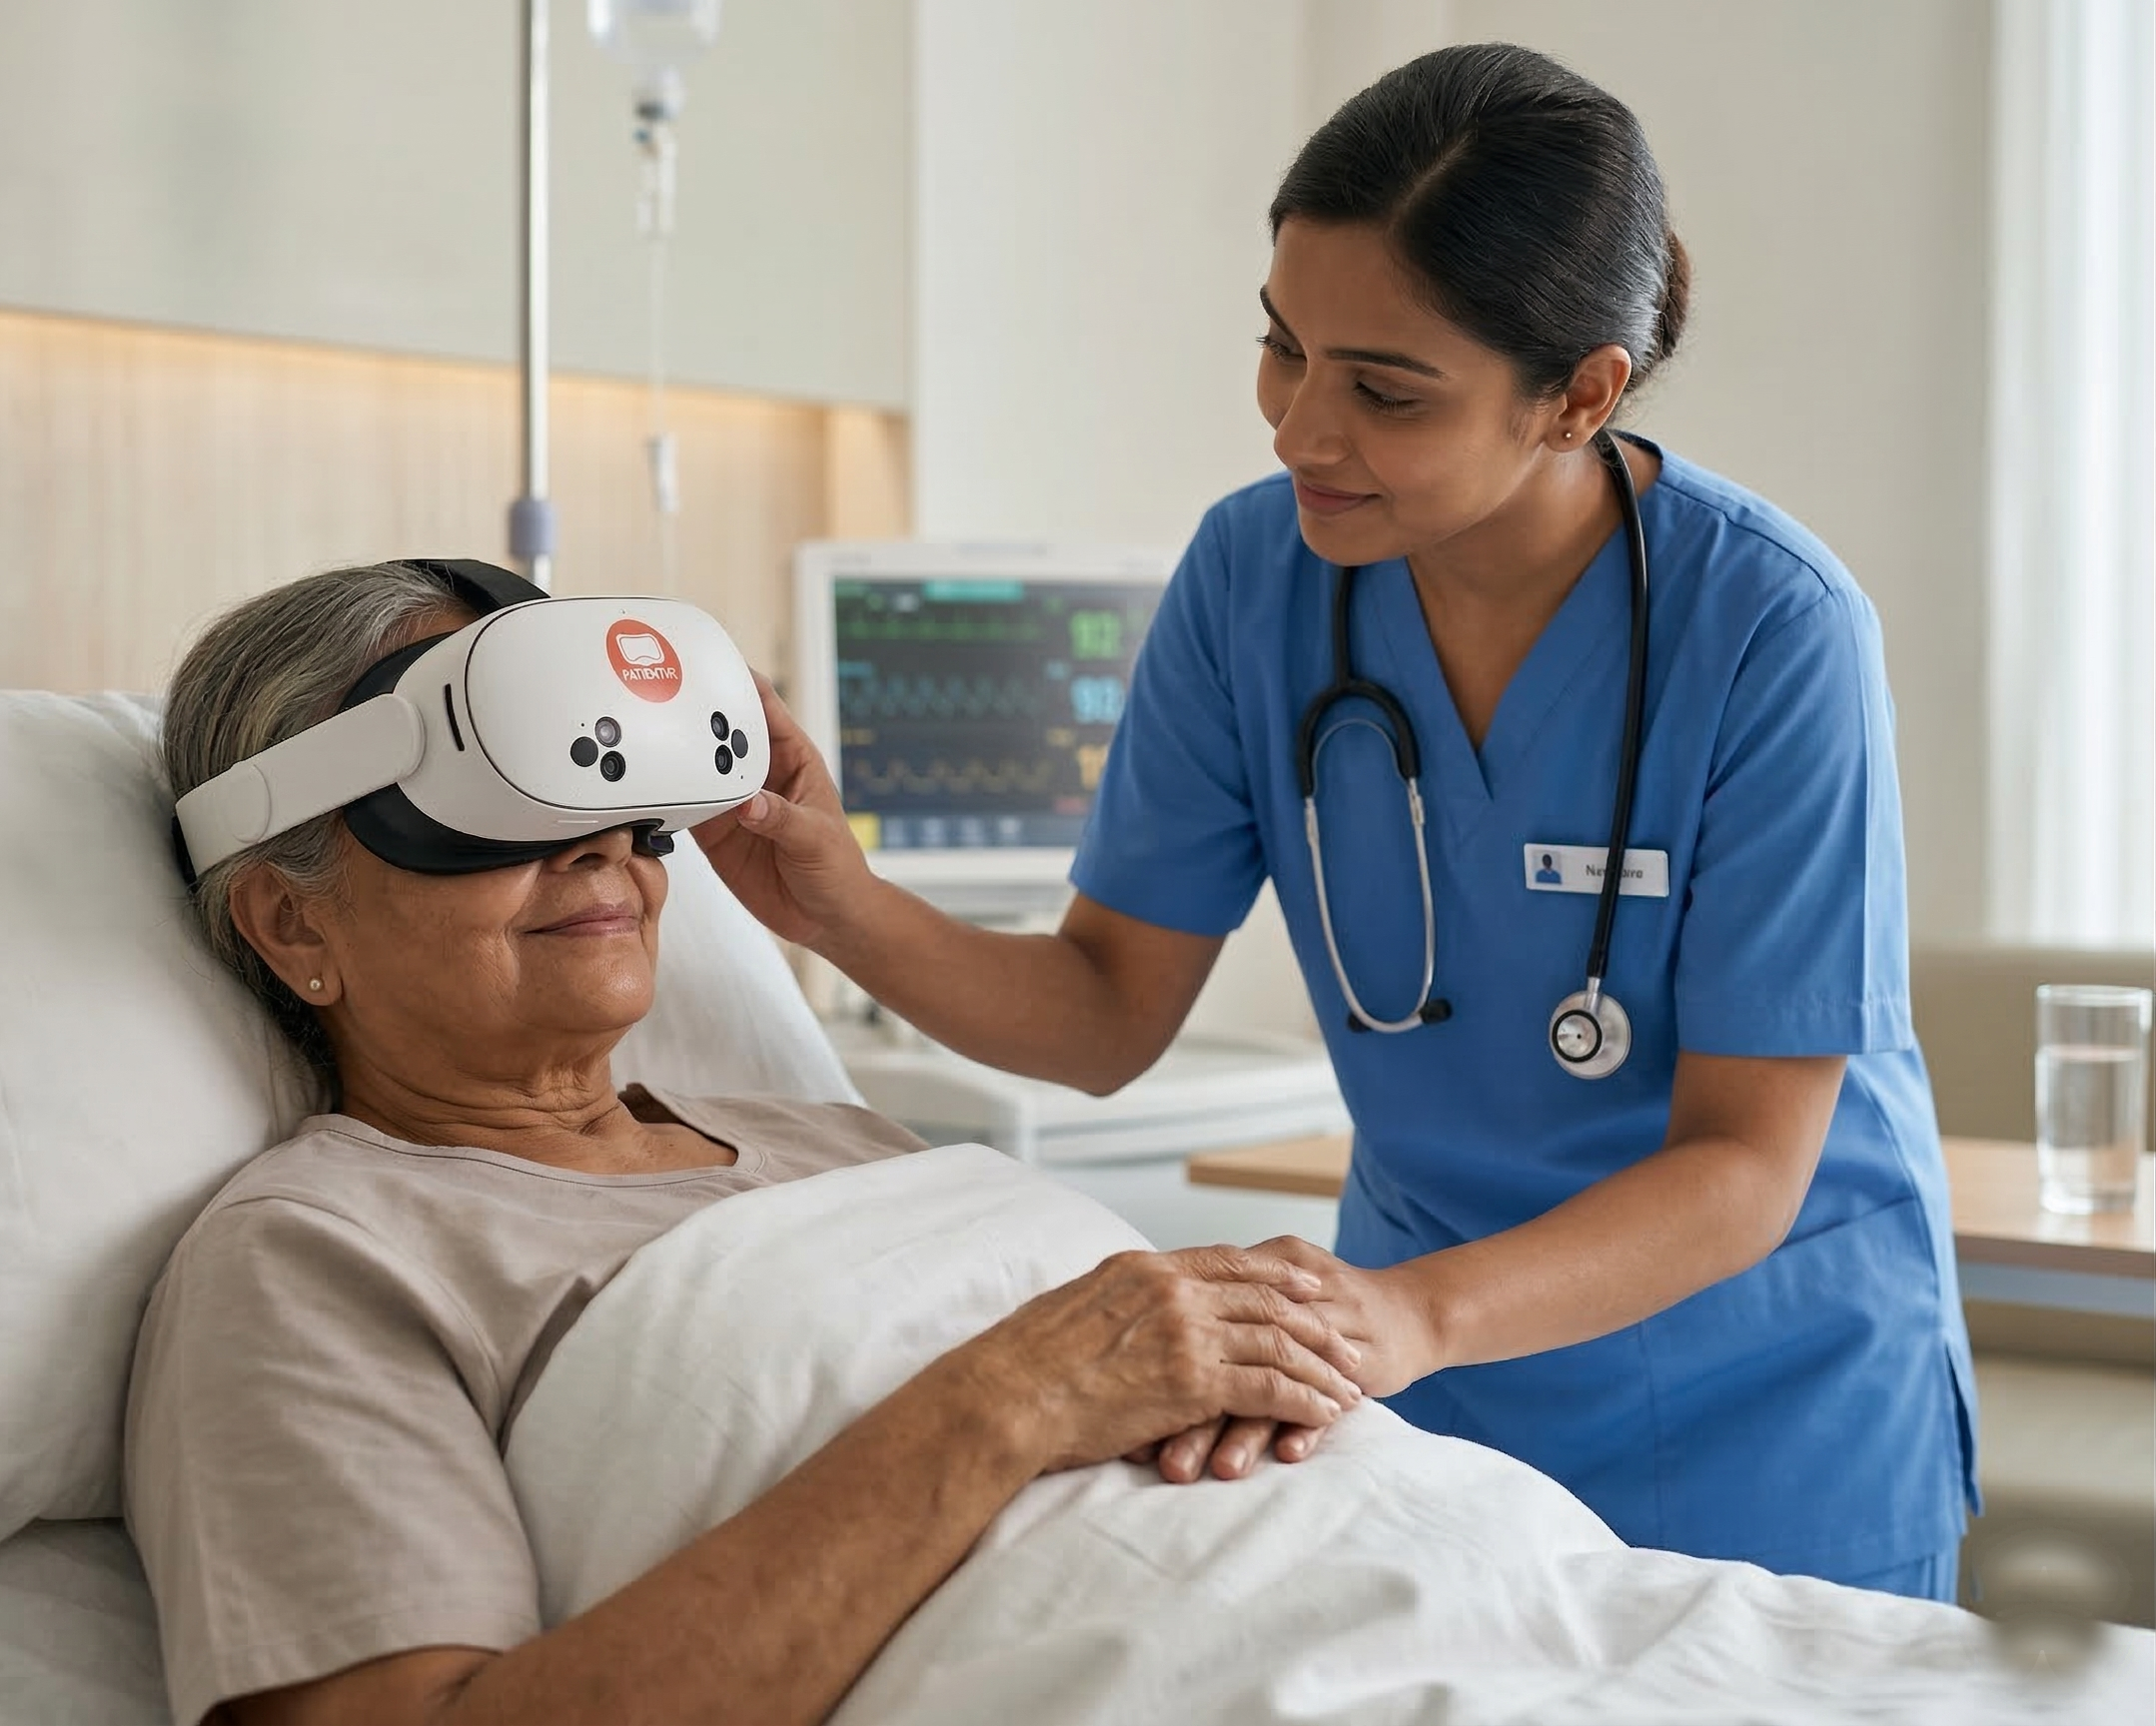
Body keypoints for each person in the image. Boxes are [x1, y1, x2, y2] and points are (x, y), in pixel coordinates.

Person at [696, 42, 1977, 1600]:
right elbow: (1103, 1013)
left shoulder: (1770, 630)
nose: (1300, 429)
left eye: (1383, 390)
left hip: (1768, 1412)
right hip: (1415, 1401)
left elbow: (1742, 1166)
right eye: (1282, 349)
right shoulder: (1255, 579)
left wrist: (1409, 1313)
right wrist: (833, 899)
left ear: (1578, 394)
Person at [124, 559, 1365, 1726]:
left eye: (611, 784)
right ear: (290, 924)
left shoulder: (840, 1139)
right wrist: (1025, 1390)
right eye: (494, 794)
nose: (599, 841)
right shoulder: (314, 1257)